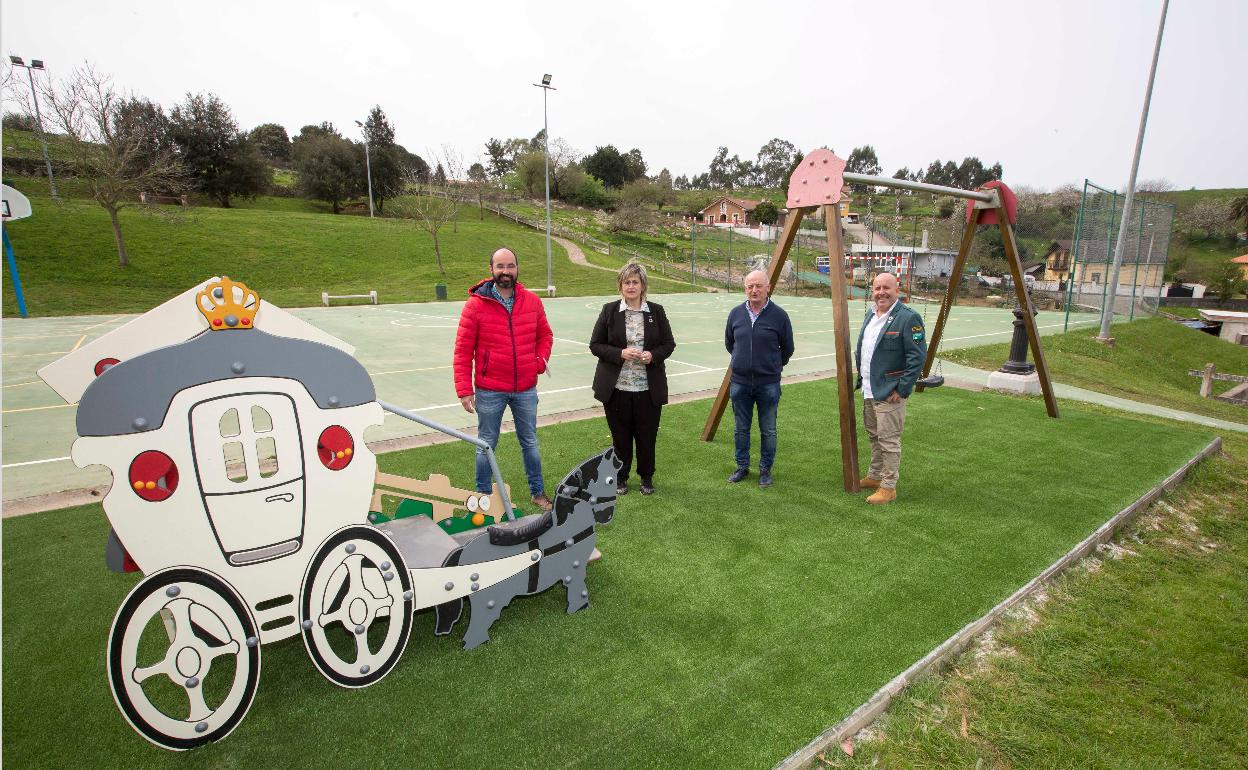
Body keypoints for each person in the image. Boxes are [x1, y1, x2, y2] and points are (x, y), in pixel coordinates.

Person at [453, 247, 555, 512]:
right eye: (500, 266)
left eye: (510, 266)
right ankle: (483, 497)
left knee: (530, 442)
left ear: (517, 268)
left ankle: (538, 493)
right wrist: (464, 389)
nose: (505, 271)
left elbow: (545, 335)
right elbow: (463, 350)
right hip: (490, 390)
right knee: (486, 444)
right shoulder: (475, 305)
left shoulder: (532, 301)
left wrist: (539, 361)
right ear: (491, 270)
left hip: (525, 389)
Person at [589, 262, 676, 496]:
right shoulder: (609, 311)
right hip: (617, 388)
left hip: (648, 389)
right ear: (620, 285)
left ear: (643, 285)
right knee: (621, 437)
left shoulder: (656, 311)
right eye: (626, 282)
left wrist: (652, 355)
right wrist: (620, 353)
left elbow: (668, 344)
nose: (630, 286)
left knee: (647, 436)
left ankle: (647, 477)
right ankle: (621, 477)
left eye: (635, 282)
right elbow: (595, 345)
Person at [854, 271, 927, 504]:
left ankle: (888, 486)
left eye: (886, 288)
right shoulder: (871, 314)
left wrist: (903, 389)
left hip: (890, 392)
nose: (881, 293)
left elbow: (917, 356)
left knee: (888, 440)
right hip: (869, 387)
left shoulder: (908, 318)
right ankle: (875, 476)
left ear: (897, 290)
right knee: (874, 436)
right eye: (877, 288)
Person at [724, 269, 794, 488]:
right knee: (740, 429)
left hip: (768, 384)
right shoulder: (736, 314)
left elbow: (788, 348)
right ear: (745, 288)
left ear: (768, 288)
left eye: (758, 286)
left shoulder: (779, 316)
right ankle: (742, 467)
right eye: (750, 286)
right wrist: (743, 363)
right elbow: (730, 344)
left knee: (768, 430)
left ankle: (765, 470)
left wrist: (771, 366)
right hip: (740, 383)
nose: (754, 290)